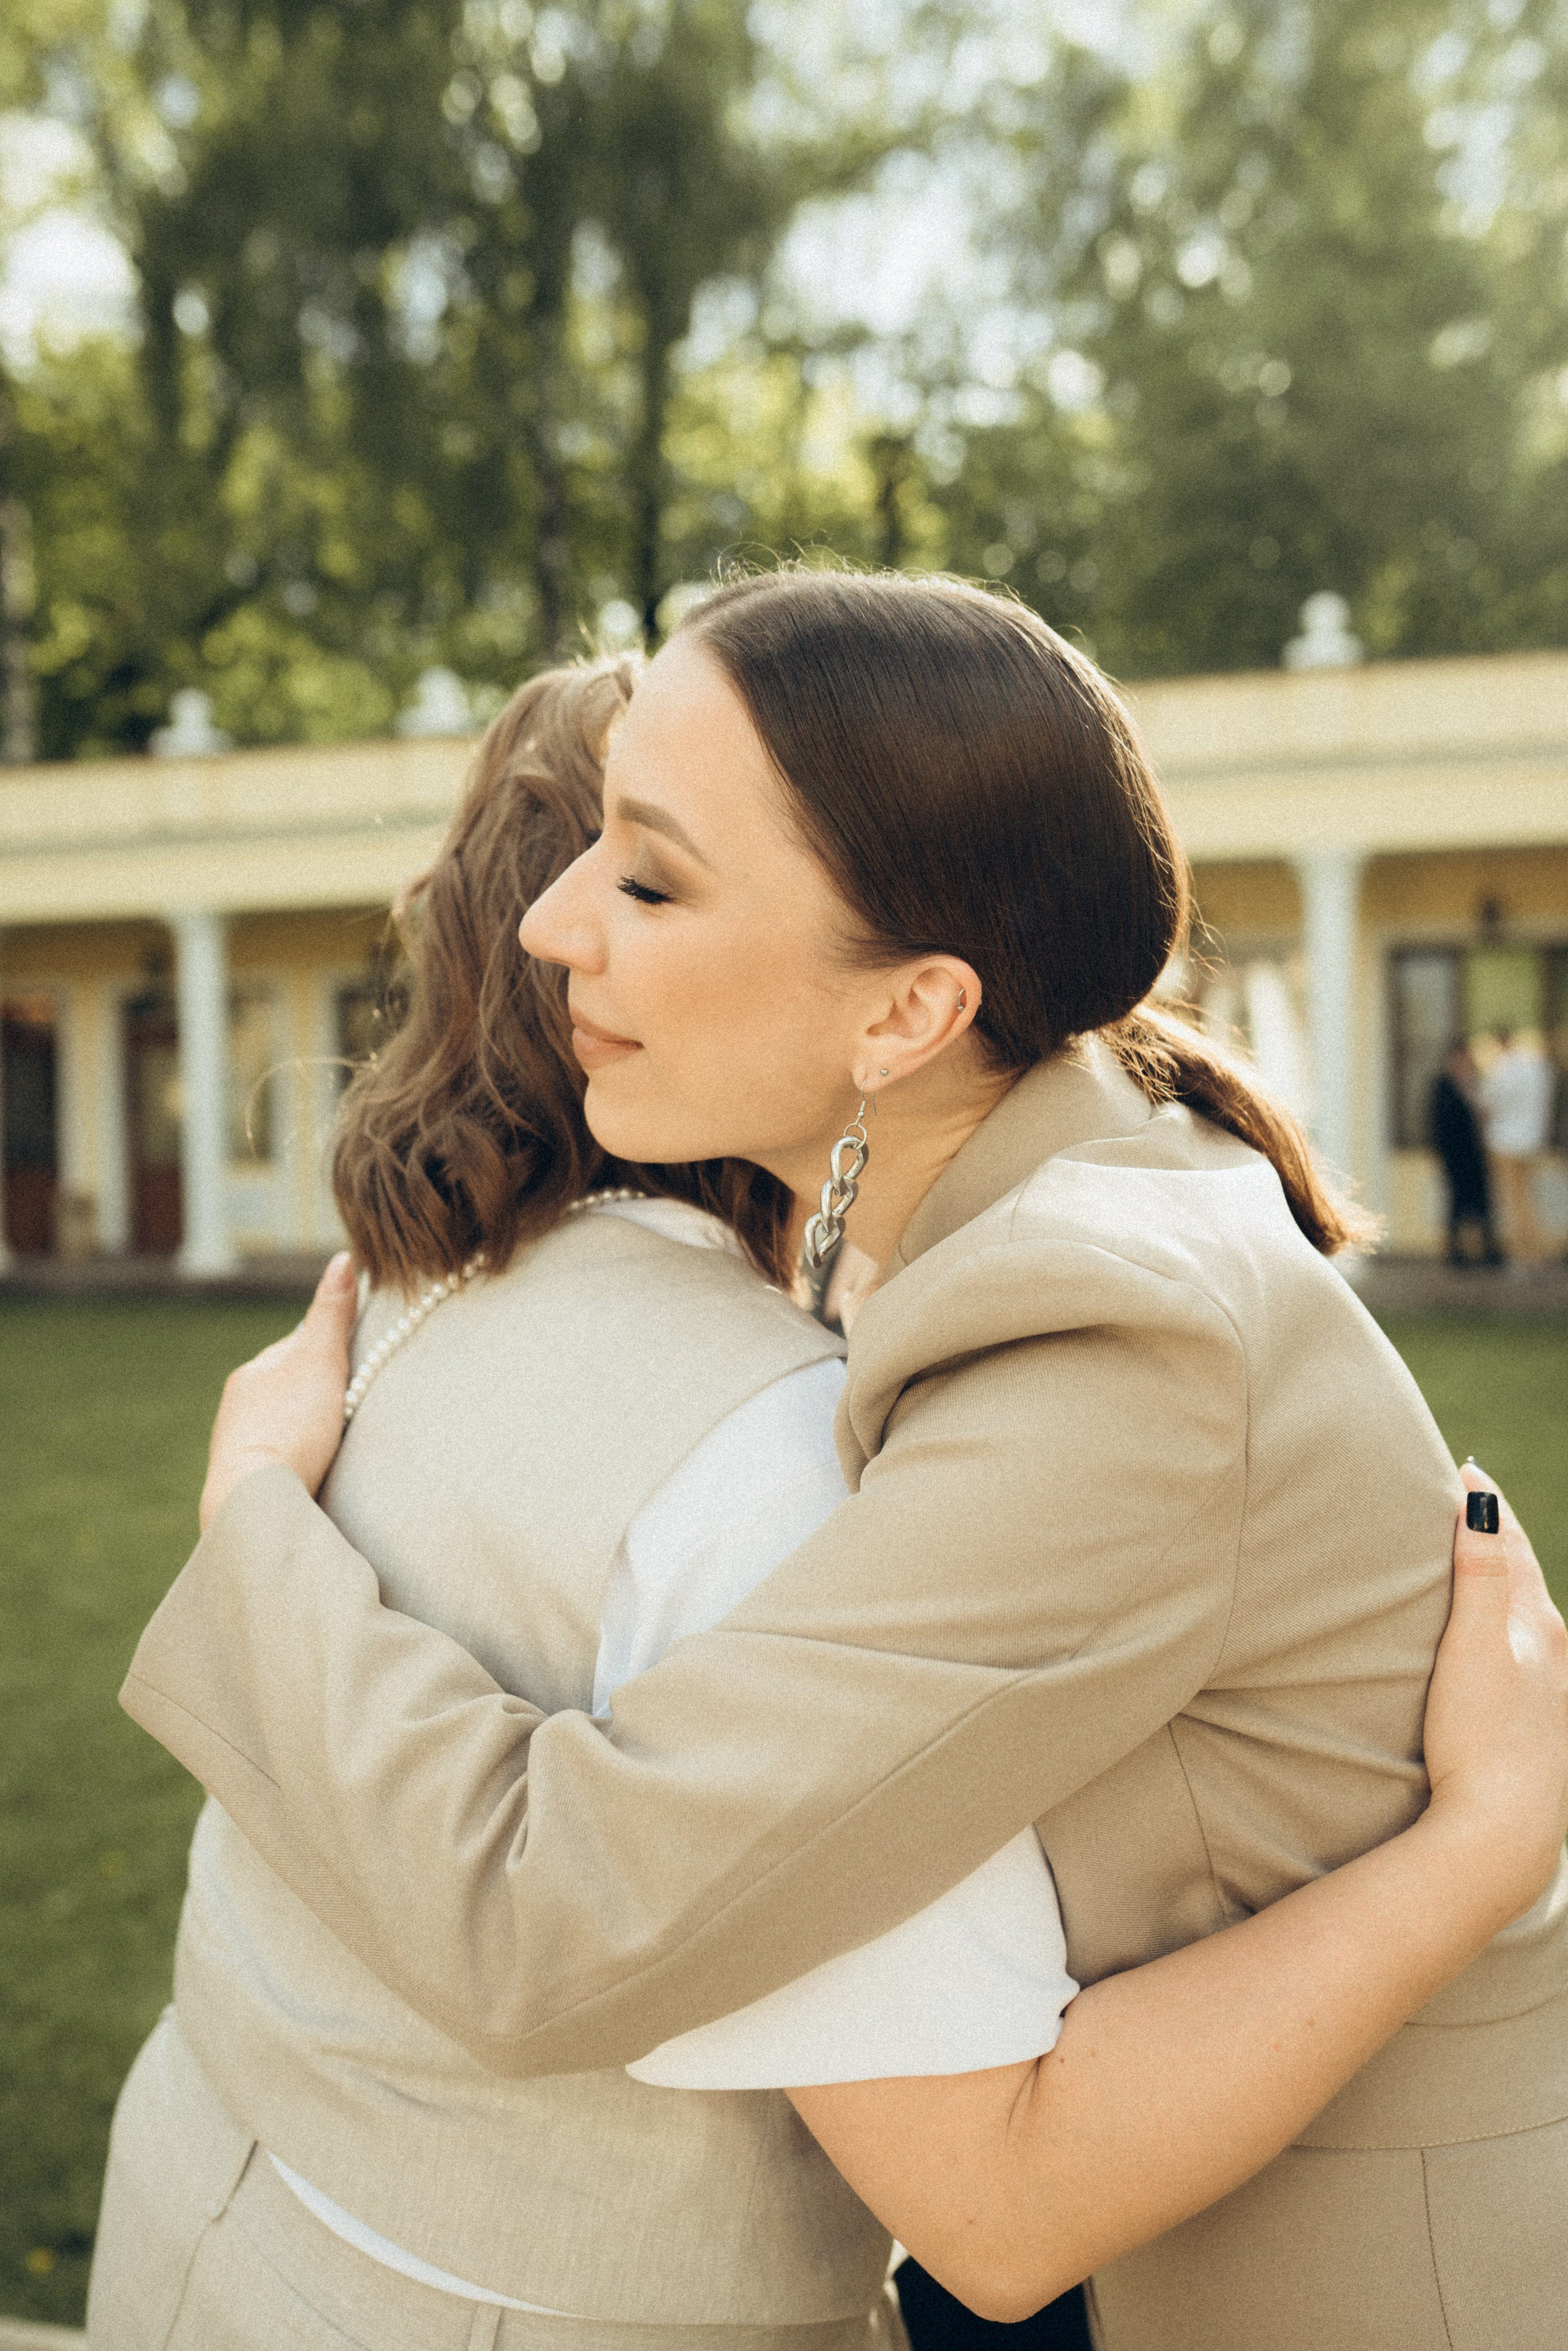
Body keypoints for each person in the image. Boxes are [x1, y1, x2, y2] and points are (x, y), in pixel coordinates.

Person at [119, 573, 1568, 2350]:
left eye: (650, 877)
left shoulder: (1113, 1351)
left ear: (907, 1015)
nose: (553, 922)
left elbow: (550, 1913)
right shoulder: (1051, 1199)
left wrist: (255, 1520)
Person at [1478, 1024, 1555, 1263]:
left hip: (1504, 1142)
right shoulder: (1536, 1067)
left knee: (1512, 1201)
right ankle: (1535, 1249)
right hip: (1531, 1141)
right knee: (1528, 1198)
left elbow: (1486, 1106)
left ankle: (1524, 1252)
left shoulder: (1501, 1069)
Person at [1430, 1040, 1502, 1265]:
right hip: (1455, 1156)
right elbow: (1438, 1124)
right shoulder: (1443, 1087)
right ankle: (1457, 1253)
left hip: (1474, 1156)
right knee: (1457, 1205)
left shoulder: (1472, 1085)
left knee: (1482, 1205)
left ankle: (1487, 1251)